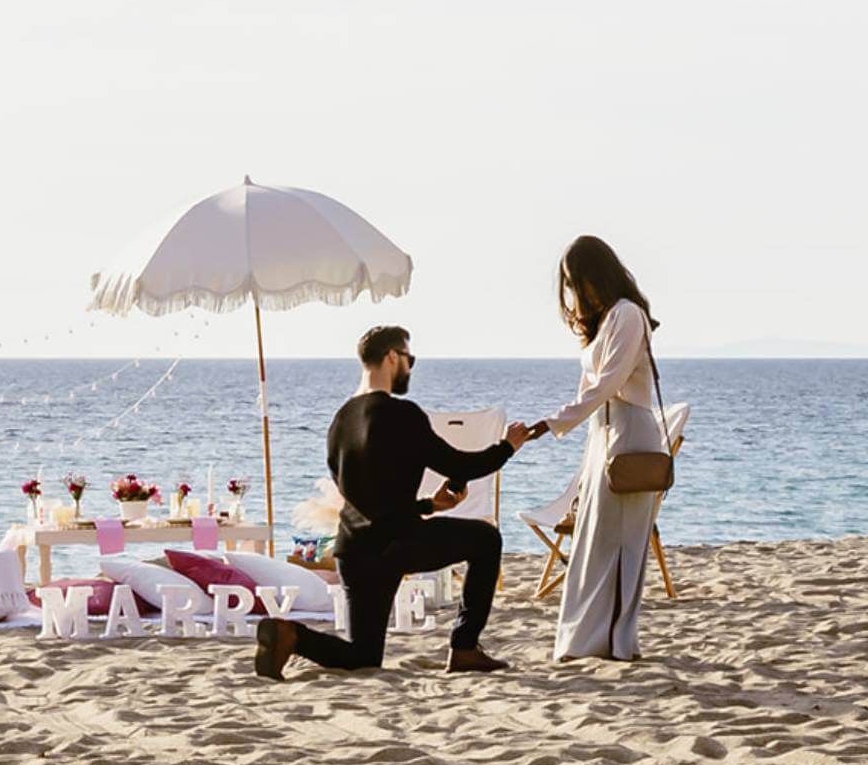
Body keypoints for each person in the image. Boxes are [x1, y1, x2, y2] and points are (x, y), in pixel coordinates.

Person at [255, 325, 530, 680]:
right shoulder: (402, 414)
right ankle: (464, 648)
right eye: (409, 359)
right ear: (391, 357)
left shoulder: (340, 421)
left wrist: (429, 505)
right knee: (486, 540)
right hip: (396, 544)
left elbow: (365, 497)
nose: (410, 368)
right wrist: (507, 446)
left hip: (353, 551)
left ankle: (290, 635)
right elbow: (461, 465)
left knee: (363, 657)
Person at [526, 236, 666, 661]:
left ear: (596, 274)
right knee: (596, 542)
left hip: (629, 435)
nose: (574, 293)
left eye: (576, 281)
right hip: (603, 438)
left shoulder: (627, 315)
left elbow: (608, 384)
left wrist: (553, 422)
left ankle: (615, 641)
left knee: (618, 544)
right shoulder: (607, 321)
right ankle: (590, 641)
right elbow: (595, 388)